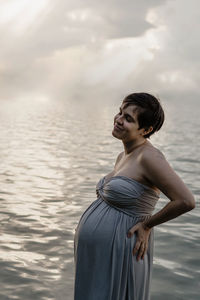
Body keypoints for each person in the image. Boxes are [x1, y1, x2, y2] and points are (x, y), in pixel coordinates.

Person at [73, 92, 195, 300]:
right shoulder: (123, 155)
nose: (119, 120)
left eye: (129, 118)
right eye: (120, 113)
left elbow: (186, 201)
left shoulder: (150, 157)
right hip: (100, 254)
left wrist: (148, 224)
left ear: (146, 130)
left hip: (121, 250)